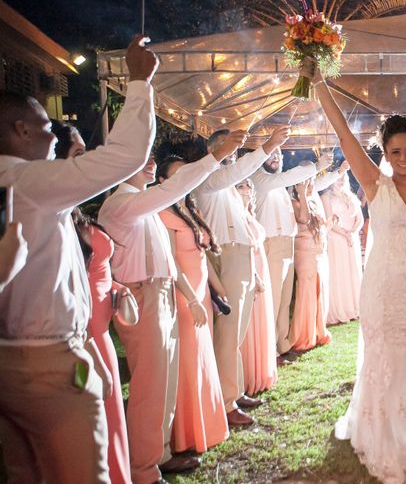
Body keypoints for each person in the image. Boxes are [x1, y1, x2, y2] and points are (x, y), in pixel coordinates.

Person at [0, 35, 156, 484]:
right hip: (47, 364)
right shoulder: (27, 181)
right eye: (46, 125)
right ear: (21, 130)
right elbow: (124, 157)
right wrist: (140, 82)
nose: (55, 134)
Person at [314, 68, 406, 484]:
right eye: (395, 152)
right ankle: (383, 434)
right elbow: (343, 135)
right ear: (384, 152)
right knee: (384, 362)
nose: (403, 158)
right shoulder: (375, 184)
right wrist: (319, 82)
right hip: (380, 289)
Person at [98, 133, 242, 482]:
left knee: (165, 383)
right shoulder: (122, 204)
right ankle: (144, 468)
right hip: (142, 296)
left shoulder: (145, 204)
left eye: (149, 156)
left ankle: (159, 453)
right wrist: (214, 158)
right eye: (140, 158)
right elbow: (169, 193)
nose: (149, 161)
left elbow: (168, 262)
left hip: (163, 294)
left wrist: (191, 298)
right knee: (149, 387)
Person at [193, 125, 291, 427]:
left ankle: (234, 391)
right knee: (228, 333)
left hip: (243, 257)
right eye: (227, 146)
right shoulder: (208, 178)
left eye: (235, 147)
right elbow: (233, 174)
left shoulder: (229, 185)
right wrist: (267, 146)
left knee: (237, 332)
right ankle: (225, 401)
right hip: (226, 257)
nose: (233, 151)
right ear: (212, 149)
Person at [156, 156, 230, 456]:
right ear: (162, 183)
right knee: (187, 361)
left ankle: (208, 424)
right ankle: (187, 433)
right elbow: (172, 262)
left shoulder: (190, 210)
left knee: (202, 356)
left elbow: (202, 256)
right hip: (183, 295)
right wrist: (192, 298)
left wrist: (218, 291)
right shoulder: (162, 214)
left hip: (201, 291)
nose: (184, 182)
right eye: (176, 177)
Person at [251, 147, 342, 363]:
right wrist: (318, 166)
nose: (276, 158)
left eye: (279, 155)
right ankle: (269, 351)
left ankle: (281, 344)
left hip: (288, 244)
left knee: (284, 300)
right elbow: (298, 181)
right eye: (272, 154)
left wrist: (333, 172)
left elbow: (314, 185)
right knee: (272, 301)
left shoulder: (282, 186)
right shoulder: (260, 179)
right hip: (271, 244)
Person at [73, 209, 133, 484]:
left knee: (111, 411)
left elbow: (97, 272)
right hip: (85, 334)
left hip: (102, 330)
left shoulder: (78, 218)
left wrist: (116, 287)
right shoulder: (56, 224)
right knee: (91, 409)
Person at [235, 178, 279, 395]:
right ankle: (247, 377)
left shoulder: (249, 213)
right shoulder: (234, 216)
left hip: (262, 269)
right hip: (250, 272)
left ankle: (261, 372)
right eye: (241, 185)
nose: (247, 189)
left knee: (261, 320)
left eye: (248, 185)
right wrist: (255, 278)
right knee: (249, 323)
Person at [288, 177, 332, 351]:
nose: (310, 184)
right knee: (306, 294)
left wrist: (329, 225)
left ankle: (318, 331)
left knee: (318, 293)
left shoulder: (314, 201)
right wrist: (302, 194)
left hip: (318, 252)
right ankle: (303, 336)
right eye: (306, 181)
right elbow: (304, 219)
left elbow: (320, 230)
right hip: (304, 253)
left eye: (312, 180)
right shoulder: (294, 202)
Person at [323, 170, 365, 325]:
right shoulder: (327, 197)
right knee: (339, 272)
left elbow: (360, 218)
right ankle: (341, 308)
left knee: (352, 271)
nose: (342, 180)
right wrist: (344, 234)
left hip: (351, 238)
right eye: (339, 177)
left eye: (344, 177)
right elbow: (329, 220)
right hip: (337, 238)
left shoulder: (351, 196)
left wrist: (352, 232)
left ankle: (355, 307)